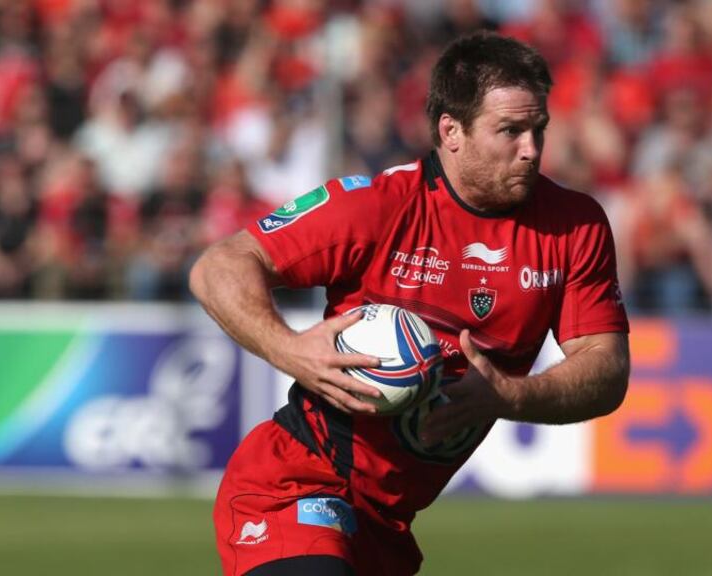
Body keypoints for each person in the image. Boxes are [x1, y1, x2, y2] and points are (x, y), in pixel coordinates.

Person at [190, 31, 631, 576]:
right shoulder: (376, 206)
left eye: (538, 129)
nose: (532, 150)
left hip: (387, 525)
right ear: (451, 131)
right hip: (294, 483)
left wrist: (511, 396)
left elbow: (606, 369)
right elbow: (219, 266)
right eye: (510, 131)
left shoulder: (574, 227)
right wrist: (291, 351)